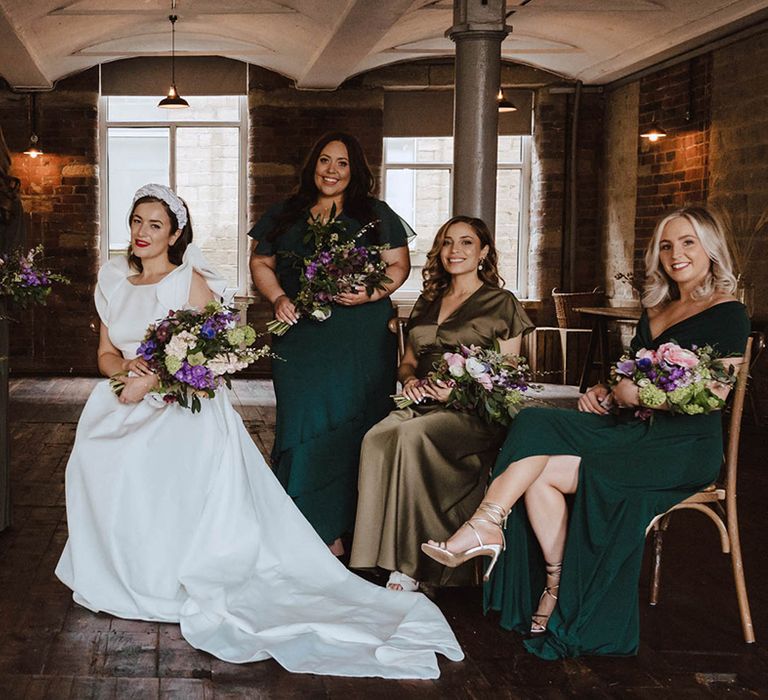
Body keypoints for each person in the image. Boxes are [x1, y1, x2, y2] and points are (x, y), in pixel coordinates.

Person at [55, 184, 463, 679]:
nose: (142, 233)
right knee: (95, 460)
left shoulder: (191, 281)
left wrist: (154, 380)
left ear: (176, 234)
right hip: (122, 397)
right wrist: (123, 374)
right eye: (137, 222)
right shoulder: (113, 277)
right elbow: (104, 351)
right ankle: (117, 570)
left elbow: (204, 353)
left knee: (158, 468)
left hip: (177, 403)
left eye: (155, 224)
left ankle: (168, 574)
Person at [421, 206, 750, 659]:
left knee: (539, 458)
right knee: (534, 423)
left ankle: (489, 532)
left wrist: (640, 395)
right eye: (667, 245)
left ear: (710, 248)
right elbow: (629, 374)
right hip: (631, 430)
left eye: (688, 242)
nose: (676, 254)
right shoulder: (656, 309)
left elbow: (714, 394)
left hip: (683, 447)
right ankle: (519, 550)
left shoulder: (727, 312)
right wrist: (607, 390)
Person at [350, 216, 534, 592]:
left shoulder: (503, 303)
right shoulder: (428, 300)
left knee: (412, 437)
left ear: (483, 252)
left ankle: (412, 565)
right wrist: (411, 381)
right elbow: (407, 361)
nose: (455, 251)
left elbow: (510, 378)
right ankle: (374, 556)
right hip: (422, 403)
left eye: (467, 243)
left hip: (473, 411)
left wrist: (458, 393)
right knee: (376, 438)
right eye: (448, 242)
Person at [248, 132, 410, 556]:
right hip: (301, 337)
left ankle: (347, 529)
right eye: (324, 161)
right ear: (312, 165)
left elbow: (398, 266)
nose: (332, 171)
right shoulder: (285, 214)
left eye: (341, 163)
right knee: (302, 421)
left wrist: (370, 293)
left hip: (359, 337)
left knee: (356, 420)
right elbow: (261, 261)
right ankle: (304, 523)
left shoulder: (375, 214)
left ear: (354, 170)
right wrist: (278, 297)